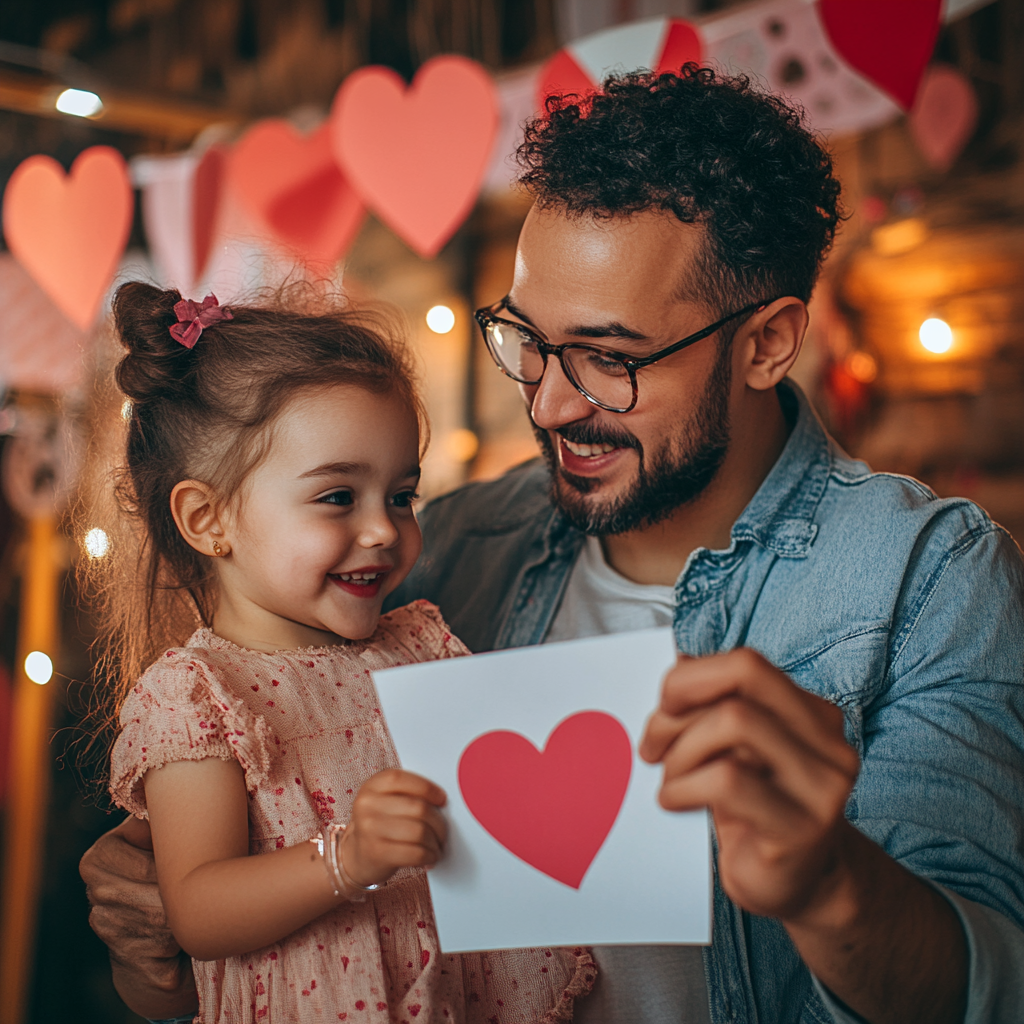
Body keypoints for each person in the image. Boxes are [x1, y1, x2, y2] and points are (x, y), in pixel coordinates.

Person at [81, 67, 1024, 1024]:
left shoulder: (929, 579)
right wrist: (158, 924)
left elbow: (991, 987)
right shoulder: (444, 552)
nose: (550, 403)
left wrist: (829, 886)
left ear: (767, 345)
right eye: (530, 341)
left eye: (610, 359)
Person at [85, 282, 595, 1023]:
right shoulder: (199, 696)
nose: (385, 530)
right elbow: (196, 908)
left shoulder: (419, 644)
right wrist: (346, 859)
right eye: (337, 498)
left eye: (400, 495)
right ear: (208, 518)